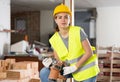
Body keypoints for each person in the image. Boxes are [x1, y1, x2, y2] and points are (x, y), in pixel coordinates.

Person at [40, 3, 100, 82]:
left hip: (86, 69)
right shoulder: (54, 39)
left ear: (69, 19)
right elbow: (59, 61)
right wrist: (51, 64)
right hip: (69, 69)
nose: (63, 20)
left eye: (66, 17)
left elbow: (89, 53)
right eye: (60, 17)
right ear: (56, 20)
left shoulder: (78, 31)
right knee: (44, 72)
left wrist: (75, 67)